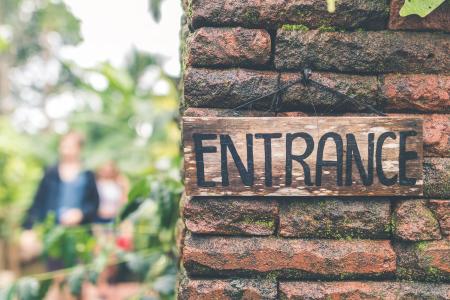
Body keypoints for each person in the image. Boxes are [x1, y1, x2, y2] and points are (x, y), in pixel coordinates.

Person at [21, 132, 99, 266]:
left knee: (79, 274)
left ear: (79, 149)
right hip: (53, 234)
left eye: (70, 146)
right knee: (55, 274)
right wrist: (28, 228)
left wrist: (81, 214)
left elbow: (94, 203)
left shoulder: (87, 174)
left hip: (80, 234)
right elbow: (38, 202)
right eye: (63, 146)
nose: (65, 150)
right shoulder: (51, 172)